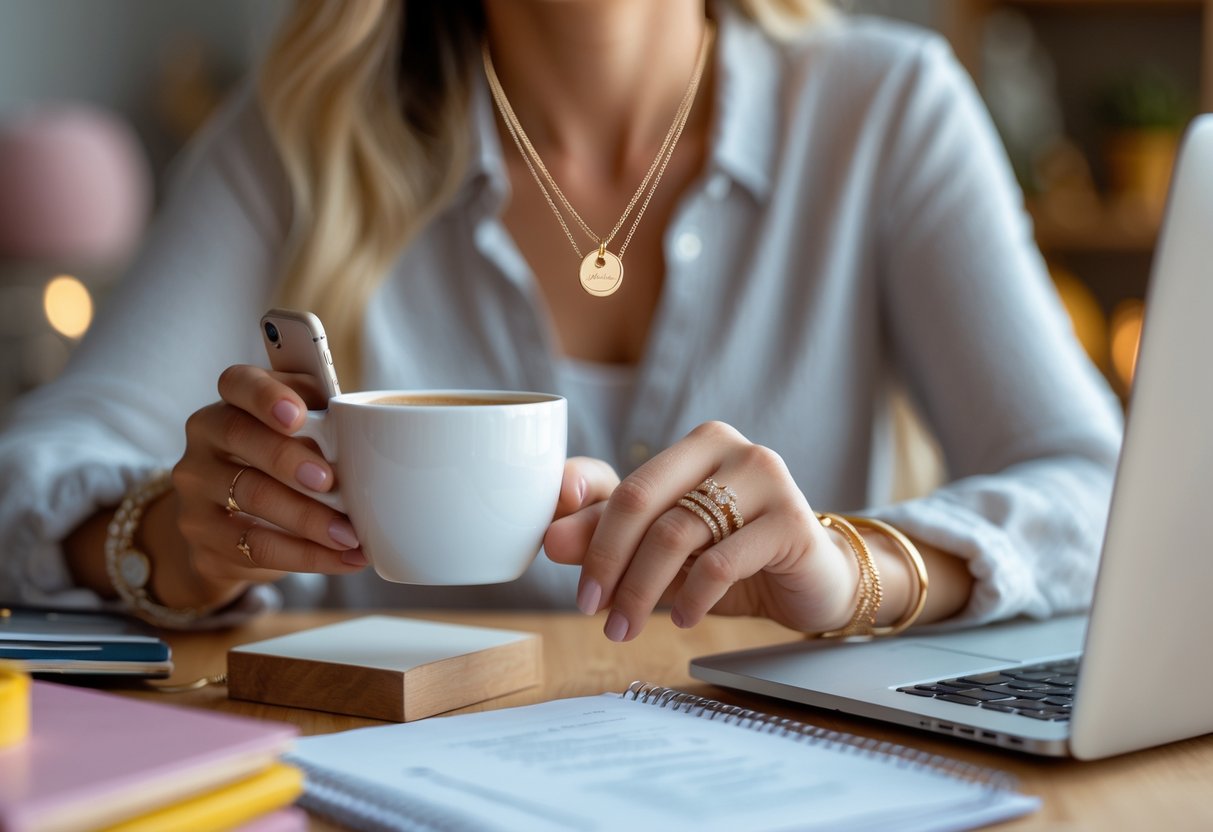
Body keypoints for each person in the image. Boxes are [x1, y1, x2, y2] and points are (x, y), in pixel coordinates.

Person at [0, 0, 1121, 644]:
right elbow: (31, 468)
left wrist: (855, 568)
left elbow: (1104, 487)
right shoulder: (303, 136)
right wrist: (163, 541)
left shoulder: (885, 110)